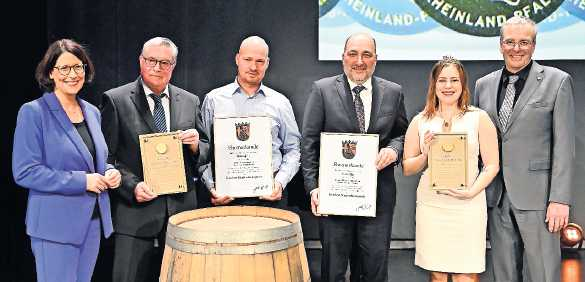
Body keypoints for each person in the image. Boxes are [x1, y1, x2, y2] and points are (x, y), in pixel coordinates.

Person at [474, 16, 575, 282]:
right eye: (510, 42)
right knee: (504, 274)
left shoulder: (557, 81)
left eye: (523, 42)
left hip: (539, 200)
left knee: (544, 273)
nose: (516, 48)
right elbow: (477, 144)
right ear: (500, 45)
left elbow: (564, 146)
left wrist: (560, 199)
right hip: (495, 196)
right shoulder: (483, 85)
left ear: (533, 46)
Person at [101, 37, 209, 282]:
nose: (158, 67)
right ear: (140, 61)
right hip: (135, 212)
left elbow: (205, 151)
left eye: (165, 62)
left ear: (173, 65)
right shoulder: (116, 100)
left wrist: (195, 146)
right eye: (151, 60)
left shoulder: (190, 101)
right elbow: (107, 158)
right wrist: (131, 186)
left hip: (181, 211)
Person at [301, 32, 408, 282]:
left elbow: (402, 134)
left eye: (366, 55)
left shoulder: (393, 92)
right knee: (334, 270)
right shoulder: (323, 90)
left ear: (375, 60)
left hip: (377, 199)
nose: (359, 60)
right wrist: (313, 188)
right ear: (343, 58)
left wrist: (394, 150)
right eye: (353, 54)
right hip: (334, 196)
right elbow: (309, 143)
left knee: (373, 270)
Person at [12, 39, 121, 282]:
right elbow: (25, 171)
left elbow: (95, 162)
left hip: (92, 223)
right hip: (55, 228)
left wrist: (111, 172)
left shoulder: (92, 112)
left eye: (78, 67)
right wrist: (83, 181)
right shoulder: (33, 112)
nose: (72, 74)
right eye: (64, 68)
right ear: (51, 72)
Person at [402, 57, 499, 282]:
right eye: (442, 80)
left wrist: (472, 191)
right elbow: (407, 167)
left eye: (454, 80)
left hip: (468, 206)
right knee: (437, 274)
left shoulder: (478, 118)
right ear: (434, 85)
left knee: (466, 274)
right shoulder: (420, 121)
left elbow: (492, 164)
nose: (448, 86)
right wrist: (426, 154)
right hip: (432, 206)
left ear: (463, 84)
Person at [200, 35, 301, 208]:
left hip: (269, 198)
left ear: (267, 63)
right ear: (237, 59)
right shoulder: (214, 100)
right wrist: (211, 186)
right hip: (225, 197)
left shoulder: (280, 102)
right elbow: (203, 151)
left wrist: (280, 183)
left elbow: (293, 150)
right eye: (248, 59)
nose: (253, 66)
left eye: (260, 61)